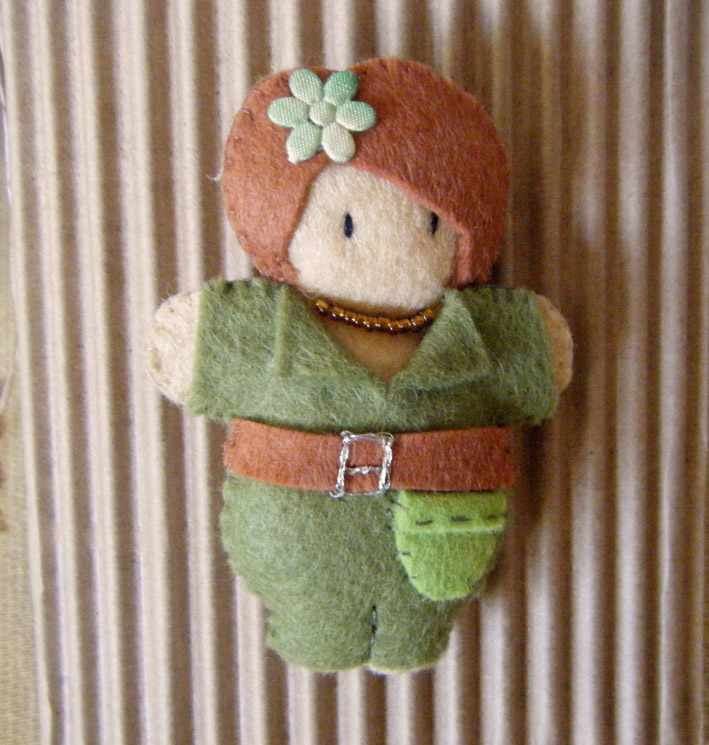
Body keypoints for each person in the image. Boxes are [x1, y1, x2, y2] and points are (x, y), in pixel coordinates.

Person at [149, 58, 572, 672]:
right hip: (298, 546)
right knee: (317, 623)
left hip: (447, 530)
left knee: (417, 624)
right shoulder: (267, 328)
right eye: (346, 224)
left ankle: (411, 637)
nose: (392, 246)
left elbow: (538, 357)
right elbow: (187, 348)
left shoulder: (481, 333)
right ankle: (318, 634)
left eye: (431, 223)